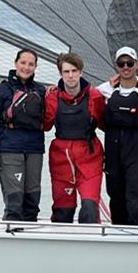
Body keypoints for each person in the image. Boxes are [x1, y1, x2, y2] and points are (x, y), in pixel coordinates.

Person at [97, 46, 138, 226]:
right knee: (116, 196)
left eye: (129, 63)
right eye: (121, 63)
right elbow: (78, 93)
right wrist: (55, 89)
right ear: (116, 66)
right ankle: (119, 237)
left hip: (137, 147)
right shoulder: (104, 90)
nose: (125, 67)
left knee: (137, 197)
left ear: (136, 65)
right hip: (112, 147)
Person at [0, 48, 46, 222]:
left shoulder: (41, 91)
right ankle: (11, 240)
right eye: (23, 62)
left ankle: (29, 243)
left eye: (31, 64)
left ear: (35, 67)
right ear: (15, 64)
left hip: (34, 150)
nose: (26, 67)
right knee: (15, 202)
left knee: (32, 202)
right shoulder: (1, 90)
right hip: (9, 150)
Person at [43, 52, 106, 223]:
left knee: (89, 208)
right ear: (60, 74)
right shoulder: (52, 97)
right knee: (63, 211)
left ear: (81, 72)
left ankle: (92, 244)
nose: (70, 76)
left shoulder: (95, 96)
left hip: (89, 157)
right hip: (61, 158)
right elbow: (44, 125)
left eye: (74, 71)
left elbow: (105, 125)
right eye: (66, 72)